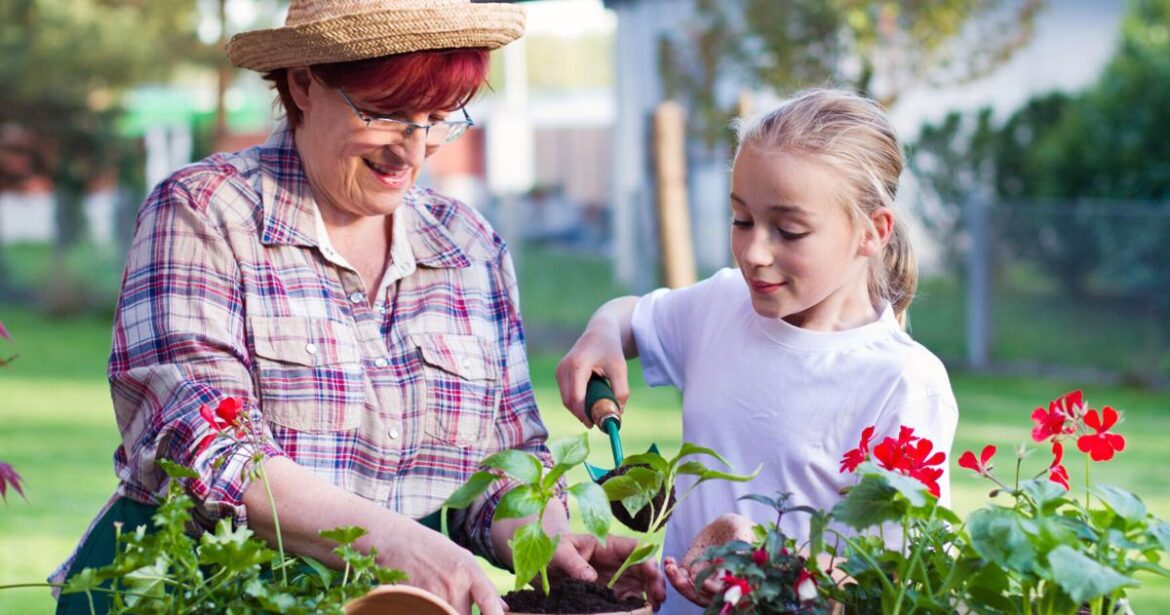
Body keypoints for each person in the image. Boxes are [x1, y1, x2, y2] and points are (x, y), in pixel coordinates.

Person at [51, 1, 664, 614]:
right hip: (195, 593)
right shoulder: (205, 214)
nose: (412, 151)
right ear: (304, 83)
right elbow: (204, 446)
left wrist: (547, 538)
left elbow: (501, 466)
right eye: (388, 113)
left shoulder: (469, 247)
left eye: (437, 118)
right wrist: (396, 542)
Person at [555, 89, 959, 613]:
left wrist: (769, 559)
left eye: (789, 230)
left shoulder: (902, 381)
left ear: (871, 232)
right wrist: (603, 333)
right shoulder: (722, 305)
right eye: (741, 220)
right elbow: (630, 316)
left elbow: (901, 582)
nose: (754, 252)